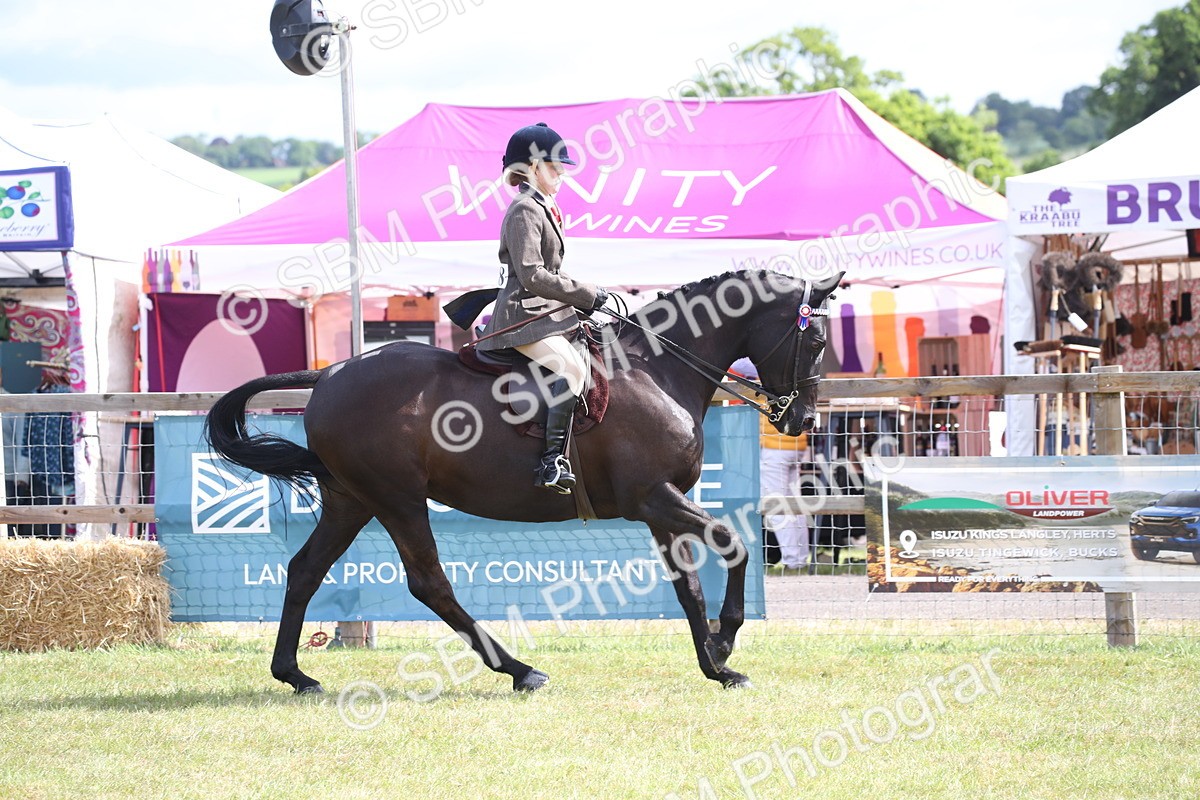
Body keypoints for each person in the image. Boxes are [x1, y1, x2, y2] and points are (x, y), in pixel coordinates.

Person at [476, 123, 608, 495]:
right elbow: (533, 274)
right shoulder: (523, 210)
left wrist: (586, 298)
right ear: (533, 167)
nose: (562, 174)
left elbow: (553, 273)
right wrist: (585, 293)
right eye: (554, 167)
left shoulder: (542, 206)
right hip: (523, 314)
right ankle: (552, 462)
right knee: (570, 366)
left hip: (546, 310)